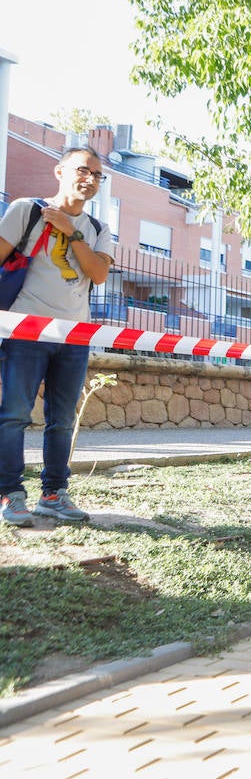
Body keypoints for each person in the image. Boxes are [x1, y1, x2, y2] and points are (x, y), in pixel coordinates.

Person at [0, 147, 116, 525]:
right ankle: (9, 494)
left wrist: (73, 233)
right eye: (84, 170)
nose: (91, 180)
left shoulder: (98, 229)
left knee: (62, 420)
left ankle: (53, 493)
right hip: (25, 330)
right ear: (60, 171)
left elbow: (98, 274)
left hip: (74, 337)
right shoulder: (26, 210)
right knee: (14, 414)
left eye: (98, 175)